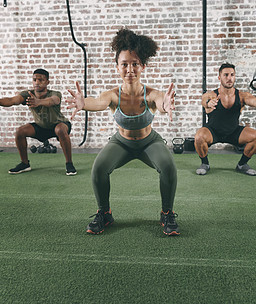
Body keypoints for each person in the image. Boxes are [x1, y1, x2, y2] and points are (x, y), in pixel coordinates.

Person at [67, 28, 179, 236]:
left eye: (135, 64)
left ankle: (167, 213)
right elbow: (98, 102)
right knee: (99, 168)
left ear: (142, 66)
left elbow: (161, 103)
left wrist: (166, 105)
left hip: (149, 142)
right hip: (122, 143)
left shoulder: (152, 94)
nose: (130, 69)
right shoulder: (113, 95)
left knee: (168, 167)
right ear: (117, 67)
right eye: (124, 64)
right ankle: (104, 213)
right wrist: (83, 103)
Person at [0, 68, 77, 176]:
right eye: (34, 79)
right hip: (41, 126)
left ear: (47, 82)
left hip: (59, 124)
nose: (37, 82)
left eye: (41, 80)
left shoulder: (55, 93)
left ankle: (69, 164)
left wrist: (39, 102)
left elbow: (53, 101)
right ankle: (25, 163)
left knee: (60, 129)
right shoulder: (28, 94)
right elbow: (12, 100)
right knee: (20, 131)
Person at [194, 63, 256, 176]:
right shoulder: (212, 94)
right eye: (226, 75)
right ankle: (205, 164)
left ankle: (242, 165)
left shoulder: (242, 96)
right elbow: (204, 100)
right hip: (213, 131)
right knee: (199, 137)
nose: (229, 78)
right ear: (219, 77)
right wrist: (209, 103)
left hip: (233, 131)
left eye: (232, 75)